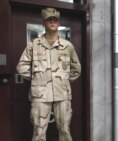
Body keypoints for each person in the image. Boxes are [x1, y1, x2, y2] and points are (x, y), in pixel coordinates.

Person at [16, 7, 81, 141]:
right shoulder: (34, 45)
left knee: (65, 131)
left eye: (55, 19)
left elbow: (76, 69)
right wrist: (38, 78)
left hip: (62, 95)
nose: (52, 21)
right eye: (49, 19)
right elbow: (21, 67)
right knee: (38, 133)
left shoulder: (67, 46)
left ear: (58, 22)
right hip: (40, 95)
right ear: (43, 22)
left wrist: (63, 80)